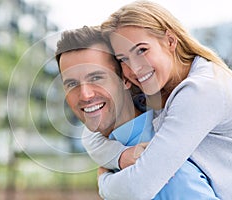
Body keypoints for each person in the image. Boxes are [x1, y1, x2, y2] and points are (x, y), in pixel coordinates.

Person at [82, 1, 232, 199]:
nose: (135, 68)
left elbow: (139, 187)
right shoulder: (153, 85)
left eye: (142, 50)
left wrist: (104, 183)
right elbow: (90, 134)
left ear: (170, 40)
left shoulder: (202, 90)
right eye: (123, 59)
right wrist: (121, 157)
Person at [55, 26, 219, 199]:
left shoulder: (163, 164)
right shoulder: (112, 151)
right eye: (72, 84)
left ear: (125, 79)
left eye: (96, 78)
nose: (85, 95)